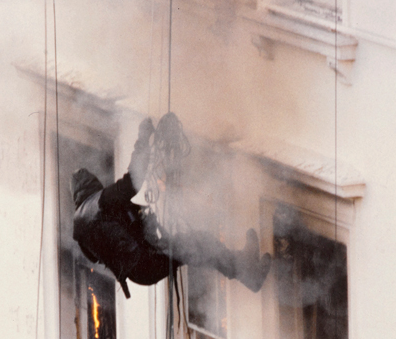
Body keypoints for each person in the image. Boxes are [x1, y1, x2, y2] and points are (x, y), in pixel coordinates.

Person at [71, 115, 271, 299]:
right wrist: (143, 139)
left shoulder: (82, 231)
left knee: (198, 245)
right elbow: (132, 181)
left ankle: (245, 267)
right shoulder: (98, 204)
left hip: (140, 271)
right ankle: (248, 274)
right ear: (93, 187)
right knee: (201, 243)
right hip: (147, 261)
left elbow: (106, 248)